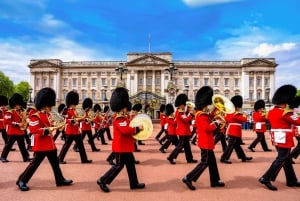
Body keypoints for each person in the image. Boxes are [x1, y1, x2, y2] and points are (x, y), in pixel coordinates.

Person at [16, 87, 72, 191]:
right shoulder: (34, 115)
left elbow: (51, 124)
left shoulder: (47, 114)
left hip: (50, 144)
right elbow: (34, 129)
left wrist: (58, 125)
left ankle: (59, 179)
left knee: (55, 164)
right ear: (44, 105)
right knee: (34, 164)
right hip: (41, 145)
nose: (50, 108)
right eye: (49, 106)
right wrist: (47, 130)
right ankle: (22, 180)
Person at [97, 87, 145, 193]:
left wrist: (136, 132)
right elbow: (126, 130)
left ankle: (134, 183)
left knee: (131, 165)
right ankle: (102, 180)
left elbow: (129, 130)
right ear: (122, 106)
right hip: (121, 148)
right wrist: (137, 128)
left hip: (126, 147)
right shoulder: (119, 118)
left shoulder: (124, 117)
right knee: (118, 166)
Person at [182, 86, 225, 190]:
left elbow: (210, 116)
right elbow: (207, 128)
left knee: (212, 162)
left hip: (207, 142)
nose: (208, 107)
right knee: (204, 162)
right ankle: (188, 177)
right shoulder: (201, 115)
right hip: (205, 143)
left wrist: (216, 110)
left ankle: (215, 181)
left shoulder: (203, 114)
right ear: (205, 105)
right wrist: (216, 123)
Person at [259, 85, 300, 191]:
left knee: (285, 160)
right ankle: (266, 178)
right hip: (285, 138)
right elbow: (298, 121)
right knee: (282, 158)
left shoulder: (271, 111)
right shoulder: (285, 112)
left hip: (277, 137)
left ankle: (292, 180)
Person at [58, 91, 92, 164]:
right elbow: (65, 119)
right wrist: (72, 121)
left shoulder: (74, 111)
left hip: (76, 131)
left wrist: (84, 119)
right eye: (74, 104)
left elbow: (77, 118)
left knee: (81, 146)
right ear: (71, 103)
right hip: (70, 131)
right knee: (66, 146)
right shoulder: (66, 110)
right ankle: (60, 159)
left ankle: (84, 159)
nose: (75, 105)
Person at [220, 95, 252, 164]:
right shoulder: (236, 114)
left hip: (233, 131)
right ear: (237, 106)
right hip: (234, 131)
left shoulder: (230, 113)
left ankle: (243, 157)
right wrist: (245, 115)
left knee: (237, 145)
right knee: (230, 146)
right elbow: (244, 119)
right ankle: (224, 158)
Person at [0, 93, 32, 163]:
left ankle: (26, 157)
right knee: (8, 145)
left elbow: (23, 120)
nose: (20, 106)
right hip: (12, 132)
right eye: (18, 105)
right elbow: (6, 121)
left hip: (20, 132)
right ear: (15, 104)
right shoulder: (10, 112)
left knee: (22, 145)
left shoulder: (21, 112)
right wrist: (17, 124)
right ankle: (3, 157)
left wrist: (26, 121)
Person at [167, 94, 197, 164]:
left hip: (184, 131)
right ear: (181, 104)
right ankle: (171, 156)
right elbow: (186, 120)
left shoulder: (181, 111)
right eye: (184, 104)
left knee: (187, 146)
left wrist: (188, 112)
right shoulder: (180, 112)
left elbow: (185, 117)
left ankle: (189, 158)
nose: (184, 106)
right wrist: (191, 114)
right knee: (180, 145)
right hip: (183, 131)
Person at [290, 96, 300, 163]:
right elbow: (296, 120)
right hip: (298, 128)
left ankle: (291, 156)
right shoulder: (295, 110)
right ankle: (290, 157)